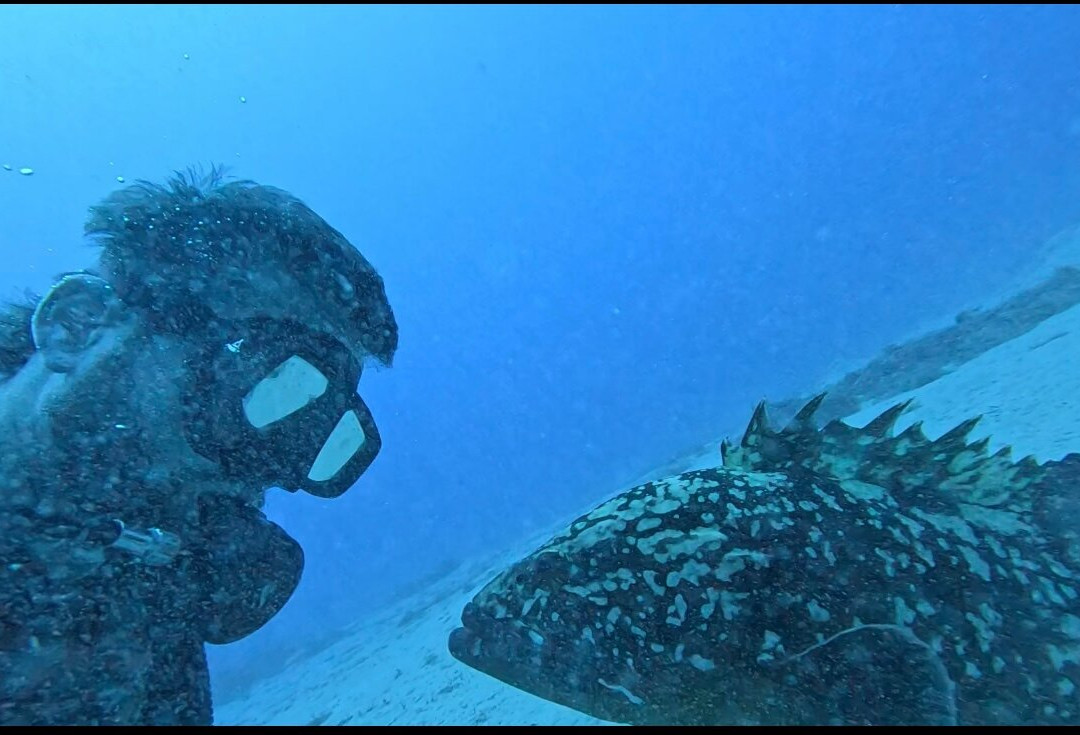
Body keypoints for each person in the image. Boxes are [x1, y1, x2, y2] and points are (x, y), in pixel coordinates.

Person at [0, 166, 398, 724]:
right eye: (269, 382)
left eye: (317, 423)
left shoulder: (144, 594)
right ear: (79, 325)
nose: (269, 475)